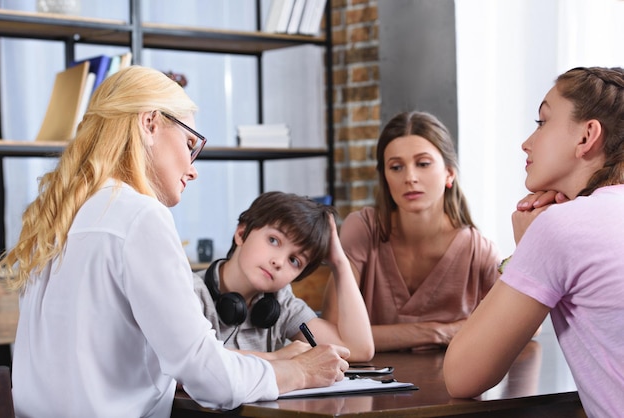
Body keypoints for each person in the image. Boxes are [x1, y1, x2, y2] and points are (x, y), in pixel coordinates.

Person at [0, 65, 350, 418]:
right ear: (150, 123)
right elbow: (209, 377)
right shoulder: (140, 216)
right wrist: (299, 371)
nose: (194, 168)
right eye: (189, 144)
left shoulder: (60, 217)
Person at [443, 66, 624, 418]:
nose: (526, 142)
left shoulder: (562, 228)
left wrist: (525, 252)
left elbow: (462, 376)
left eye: (542, 123)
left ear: (587, 136)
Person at [322, 111, 501, 352]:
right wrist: (439, 332)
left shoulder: (478, 251)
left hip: (452, 385)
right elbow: (331, 334)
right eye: (396, 167)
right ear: (385, 177)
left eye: (423, 164)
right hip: (370, 385)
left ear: (449, 172)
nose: (410, 178)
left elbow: (528, 326)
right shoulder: (363, 229)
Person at [192, 191, 374, 362]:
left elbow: (358, 349)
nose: (279, 262)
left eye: (294, 260)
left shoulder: (280, 302)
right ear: (241, 234)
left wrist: (339, 263)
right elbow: (189, 362)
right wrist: (276, 359)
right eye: (274, 240)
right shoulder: (190, 291)